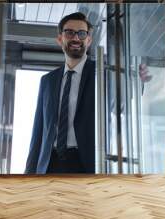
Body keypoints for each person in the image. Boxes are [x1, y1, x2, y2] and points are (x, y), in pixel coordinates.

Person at [25, 12, 150, 174]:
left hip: (86, 163)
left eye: (82, 34)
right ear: (60, 39)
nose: (76, 38)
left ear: (88, 41)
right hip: (49, 164)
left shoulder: (103, 74)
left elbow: (120, 105)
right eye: (69, 33)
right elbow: (38, 132)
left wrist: (137, 82)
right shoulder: (47, 81)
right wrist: (28, 173)